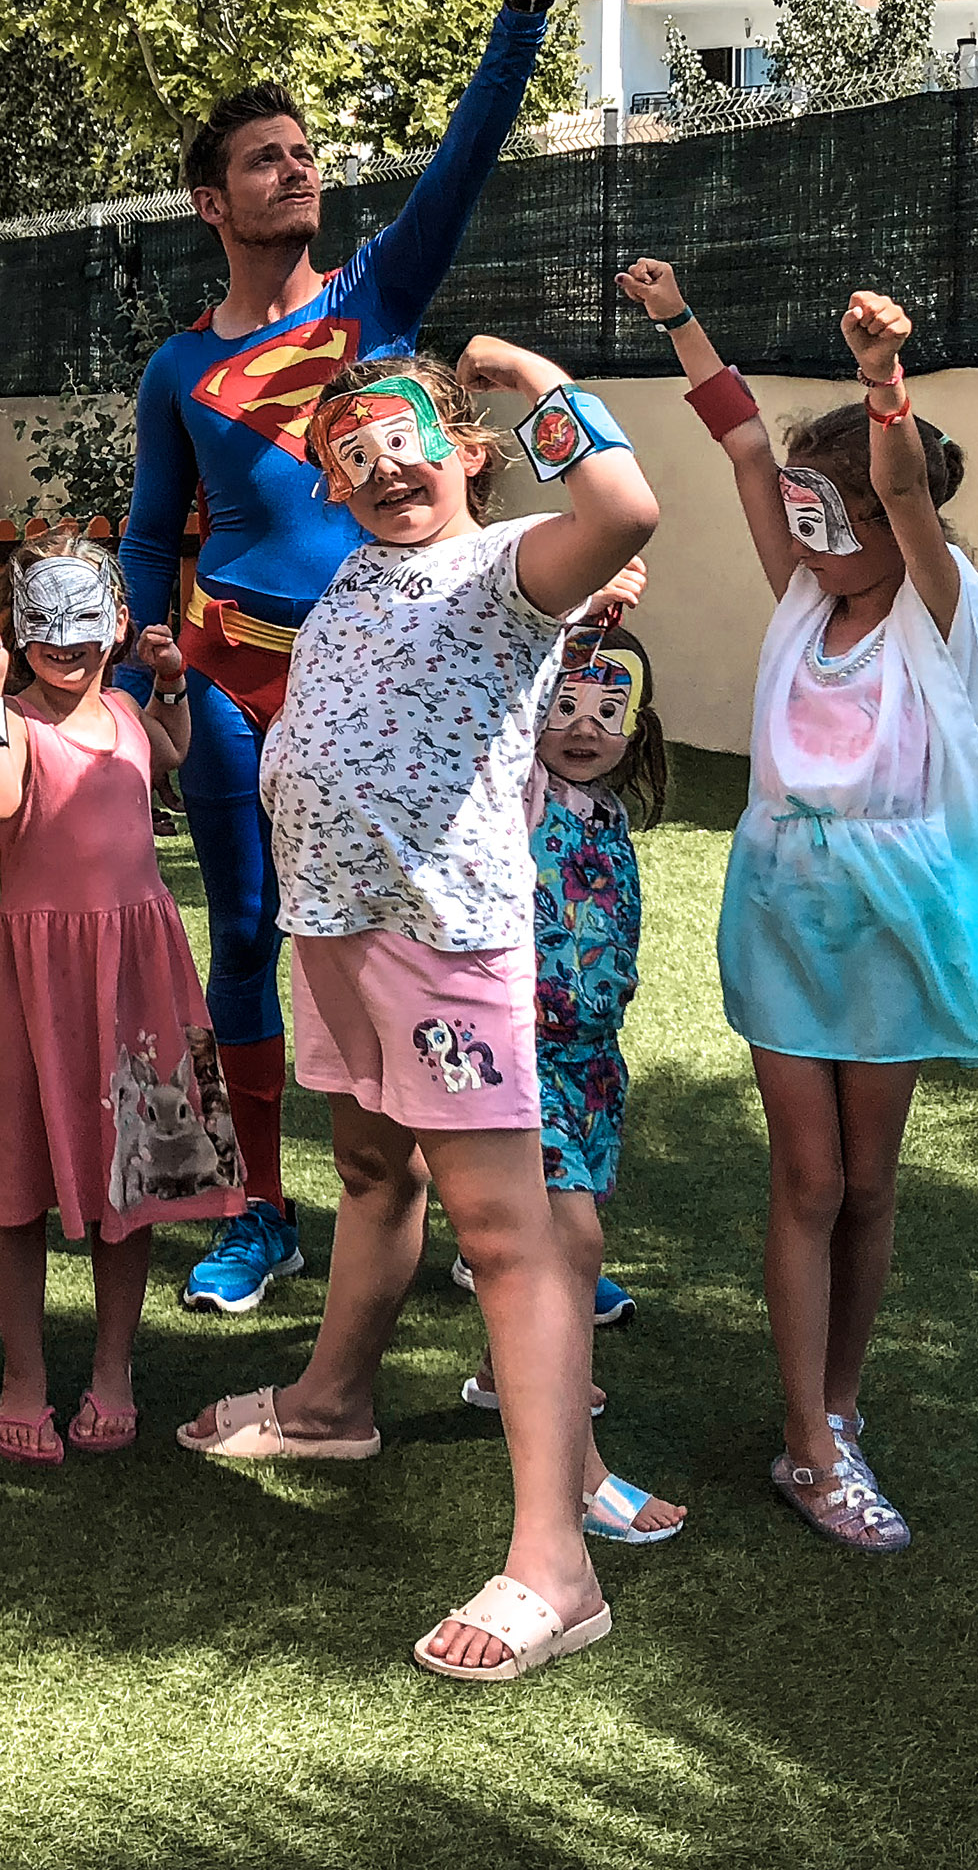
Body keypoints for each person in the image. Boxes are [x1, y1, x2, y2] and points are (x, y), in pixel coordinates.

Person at [179, 342, 658, 1681]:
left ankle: (553, 1567)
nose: (381, 464)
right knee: (371, 1169)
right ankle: (332, 1405)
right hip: (334, 937)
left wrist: (535, 375)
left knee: (505, 1240)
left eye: (402, 438)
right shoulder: (356, 571)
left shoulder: (505, 564)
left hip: (443, 953)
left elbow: (620, 516)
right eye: (351, 452)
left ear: (459, 447)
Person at [118, 0, 567, 1319]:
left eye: (303, 152)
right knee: (250, 938)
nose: (296, 167)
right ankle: (263, 1212)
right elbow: (148, 528)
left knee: (452, 926)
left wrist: (523, 14)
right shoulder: (178, 366)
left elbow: (464, 161)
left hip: (404, 681)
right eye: (264, 158)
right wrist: (143, 642)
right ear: (210, 203)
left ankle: (489, 1204)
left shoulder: (376, 305)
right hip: (237, 686)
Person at [631, 259, 978, 1552]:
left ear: (899, 529)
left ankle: (836, 1406)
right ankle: (805, 1444)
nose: (814, 542)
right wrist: (677, 317)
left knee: (873, 1184)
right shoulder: (802, 592)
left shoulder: (944, 612)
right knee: (809, 1175)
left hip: (892, 918)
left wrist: (881, 377)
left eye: (836, 522)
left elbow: (896, 486)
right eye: (805, 521)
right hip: (783, 904)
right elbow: (733, 440)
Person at [0, 537, 239, 1466]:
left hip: (139, 963)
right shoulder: (11, 726)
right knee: (17, 1172)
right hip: (37, 971)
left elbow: (171, 754)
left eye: (86, 627)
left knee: (137, 1170)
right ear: (16, 629)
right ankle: (24, 1372)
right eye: (46, 628)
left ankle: (113, 1368)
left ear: (116, 625)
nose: (65, 647)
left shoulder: (121, 704)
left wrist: (168, 685)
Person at [458, 609, 688, 1548]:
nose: (585, 725)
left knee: (562, 1240)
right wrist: (570, 615)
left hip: (594, 1065)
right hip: (524, 1060)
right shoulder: (526, 795)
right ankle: (579, 1474)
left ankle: (499, 1370)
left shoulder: (612, 815)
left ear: (636, 728)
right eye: (564, 702)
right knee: (572, 1246)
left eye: (608, 708)